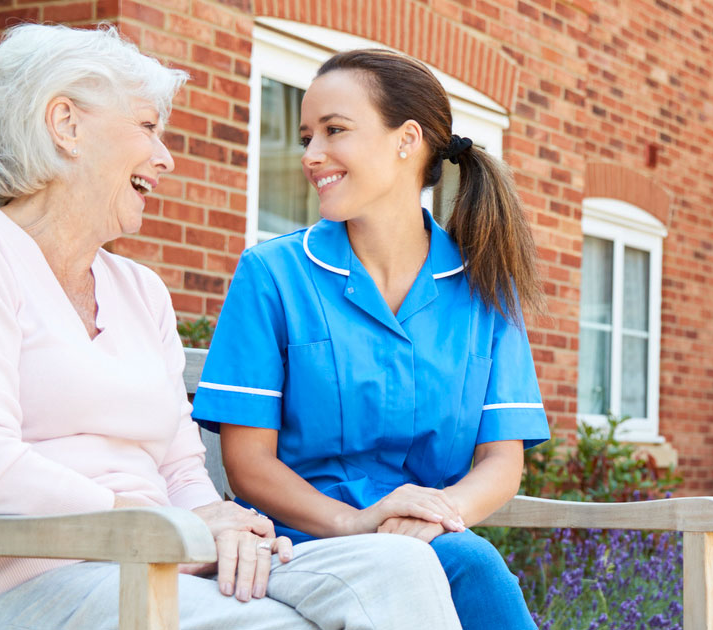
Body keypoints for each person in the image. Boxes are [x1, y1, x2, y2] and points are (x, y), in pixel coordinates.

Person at [0, 25, 461, 630]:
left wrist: (224, 529)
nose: (165, 157)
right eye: (147, 127)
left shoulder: (139, 290)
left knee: (400, 566)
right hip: (13, 585)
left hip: (160, 564)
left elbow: (182, 470)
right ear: (66, 125)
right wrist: (166, 528)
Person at [191, 48, 550, 630]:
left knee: (462, 561)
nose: (310, 155)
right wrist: (360, 523)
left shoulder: (486, 287)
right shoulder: (272, 274)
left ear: (407, 140)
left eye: (334, 130)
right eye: (306, 137)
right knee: (470, 565)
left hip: (428, 542)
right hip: (296, 545)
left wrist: (434, 514)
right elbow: (248, 464)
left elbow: (501, 460)